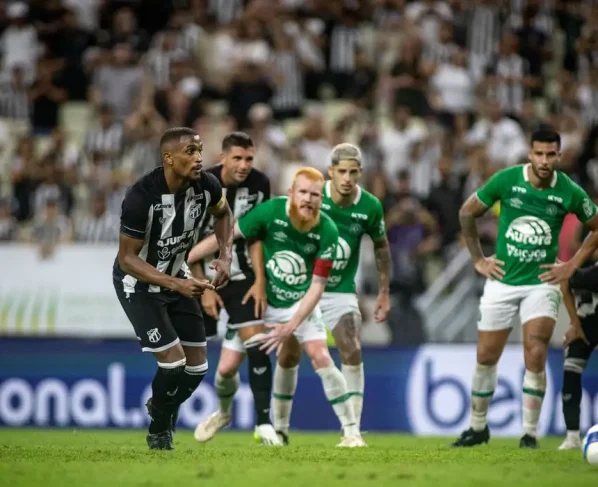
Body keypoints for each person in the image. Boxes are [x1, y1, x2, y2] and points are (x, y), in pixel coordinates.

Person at [188, 167, 365, 447]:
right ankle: (223, 413)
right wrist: (193, 255)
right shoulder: (271, 211)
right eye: (303, 192)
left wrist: (291, 326)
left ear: (322, 200)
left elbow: (318, 286)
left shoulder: (328, 231)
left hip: (299, 304)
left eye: (315, 195)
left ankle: (351, 432)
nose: (308, 199)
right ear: (291, 194)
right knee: (225, 370)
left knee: (320, 355)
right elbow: (229, 234)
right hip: (261, 302)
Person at [454, 128, 598, 449]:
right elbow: (467, 212)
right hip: (502, 280)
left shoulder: (569, 191)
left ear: (559, 156)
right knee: (486, 356)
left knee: (536, 352)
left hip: (541, 283)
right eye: (539, 154)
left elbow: (596, 227)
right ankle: (478, 428)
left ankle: (529, 435)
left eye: (551, 154)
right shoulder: (506, 180)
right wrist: (478, 259)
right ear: (529, 154)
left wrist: (571, 265)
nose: (545, 161)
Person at [113, 127, 234, 450]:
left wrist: (225, 255)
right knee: (173, 363)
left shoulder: (206, 185)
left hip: (178, 279)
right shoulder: (142, 197)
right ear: (168, 158)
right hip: (138, 284)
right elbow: (126, 258)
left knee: (197, 369)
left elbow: (223, 213)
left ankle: (161, 408)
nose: (198, 158)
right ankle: (159, 431)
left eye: (199, 150)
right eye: (190, 152)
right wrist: (177, 283)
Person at [269, 143, 391, 437]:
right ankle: (281, 428)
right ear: (330, 173)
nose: (347, 178)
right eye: (342, 172)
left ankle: (353, 431)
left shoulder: (370, 207)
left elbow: (381, 247)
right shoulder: (311, 196)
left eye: (353, 172)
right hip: (301, 286)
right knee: (288, 355)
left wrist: (384, 291)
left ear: (360, 173)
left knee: (351, 346)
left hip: (340, 290)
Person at [188, 131, 281, 445]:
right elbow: (186, 240)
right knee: (223, 369)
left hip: (242, 275)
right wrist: (205, 287)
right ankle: (221, 413)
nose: (244, 165)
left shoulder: (260, 184)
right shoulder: (199, 183)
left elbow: (256, 234)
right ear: (222, 158)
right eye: (237, 158)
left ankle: (264, 424)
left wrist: (260, 280)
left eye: (249, 159)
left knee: (256, 345)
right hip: (199, 273)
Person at [558, 263, 598, 450]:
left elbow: (575, 277)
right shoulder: (583, 261)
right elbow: (566, 281)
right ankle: (572, 437)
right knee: (570, 374)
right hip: (585, 324)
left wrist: (563, 268)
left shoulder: (585, 271)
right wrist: (574, 323)